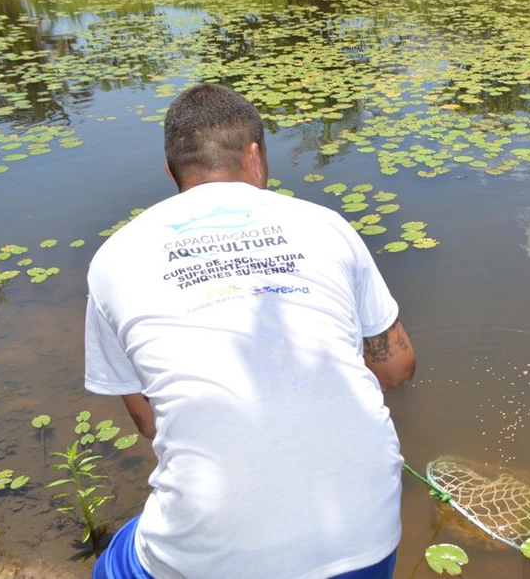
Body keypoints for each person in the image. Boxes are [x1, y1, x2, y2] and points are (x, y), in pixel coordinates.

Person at [85, 83, 416, 579]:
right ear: (255, 157)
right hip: (365, 541)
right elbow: (396, 366)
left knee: (115, 562)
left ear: (172, 171)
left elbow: (151, 424)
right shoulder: (326, 225)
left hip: (208, 559)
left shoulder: (115, 256)